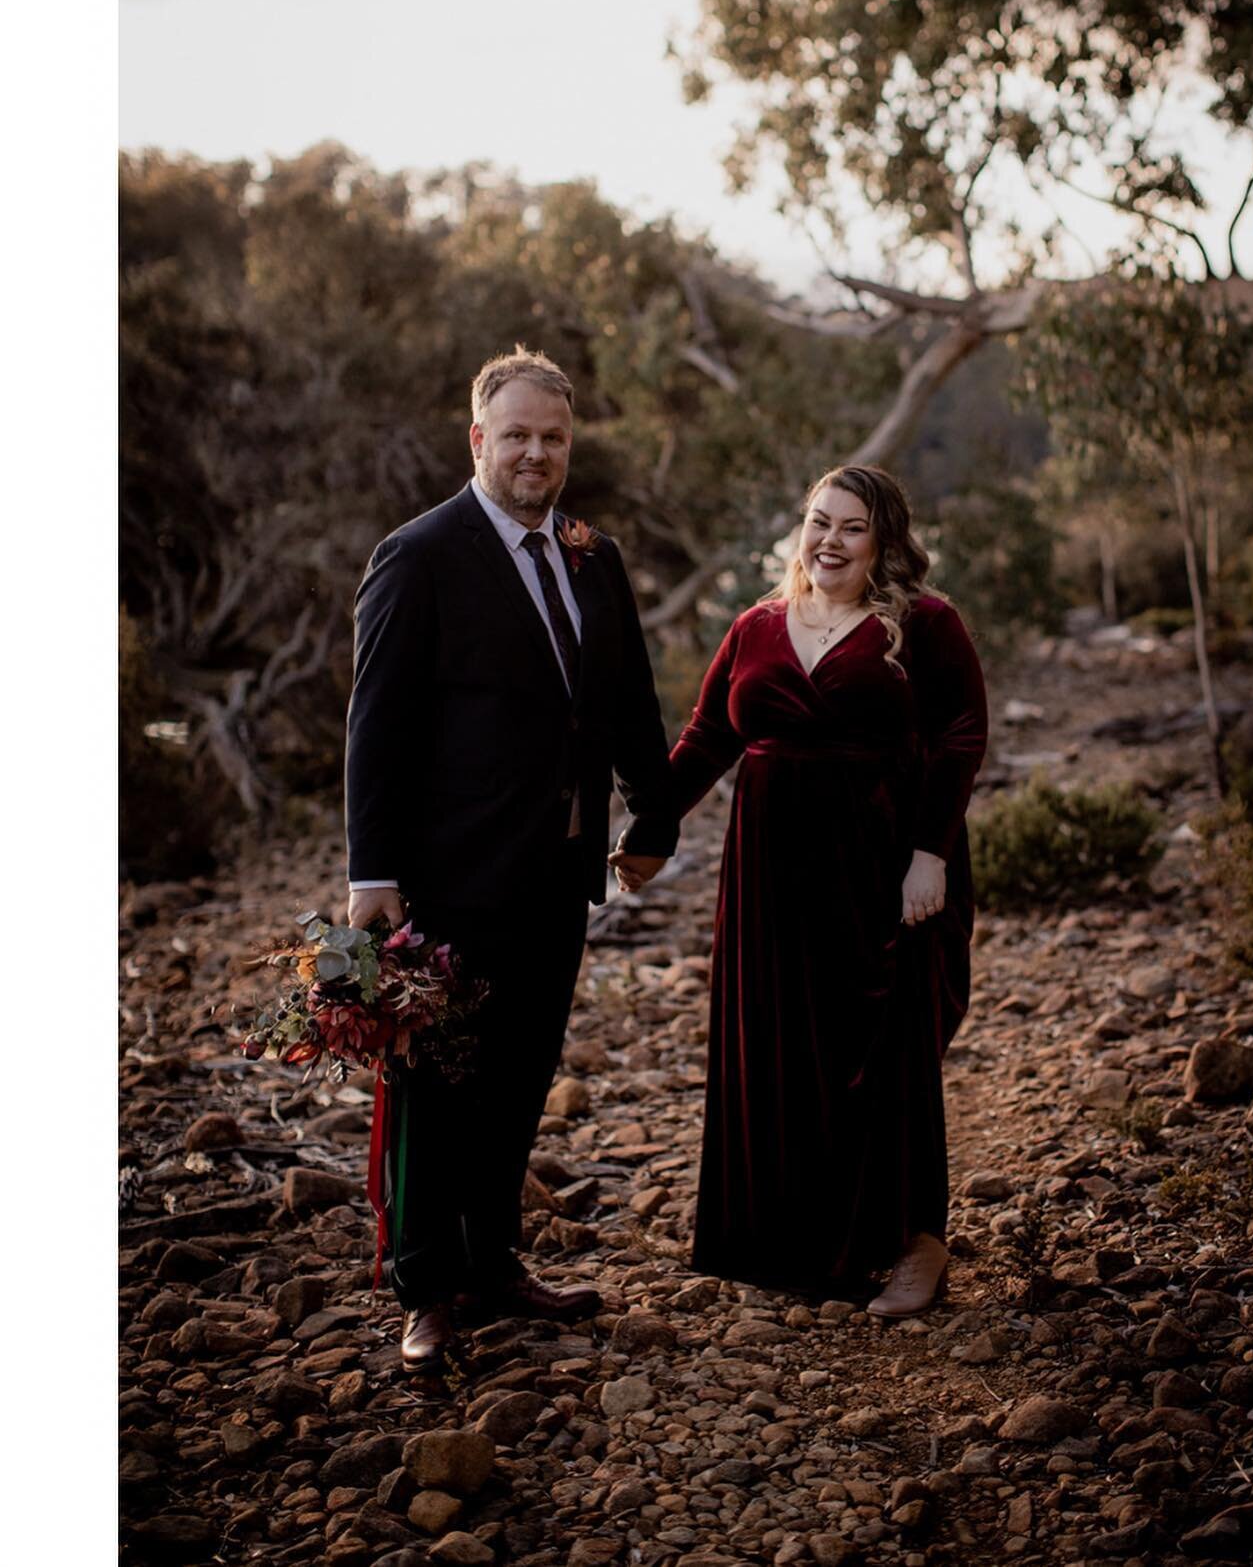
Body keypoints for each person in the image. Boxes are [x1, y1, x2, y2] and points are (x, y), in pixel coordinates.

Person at [345, 348, 676, 1370]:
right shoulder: (420, 554)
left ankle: (492, 1258)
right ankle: (425, 1288)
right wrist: (371, 876)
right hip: (448, 881)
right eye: (518, 434)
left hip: (558, 873)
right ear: (479, 439)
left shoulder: (591, 553)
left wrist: (652, 817)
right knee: (436, 1086)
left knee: (522, 1074)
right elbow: (377, 727)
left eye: (555, 438)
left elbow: (624, 701)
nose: (537, 453)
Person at [667, 465, 987, 1316]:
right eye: (819, 522)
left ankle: (920, 1244)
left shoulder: (923, 624)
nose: (830, 541)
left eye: (851, 526)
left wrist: (930, 852)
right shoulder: (758, 625)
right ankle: (803, 1242)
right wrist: (648, 828)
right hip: (770, 873)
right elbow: (706, 737)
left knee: (890, 1051)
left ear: (884, 541)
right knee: (782, 1047)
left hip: (881, 866)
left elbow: (960, 736)